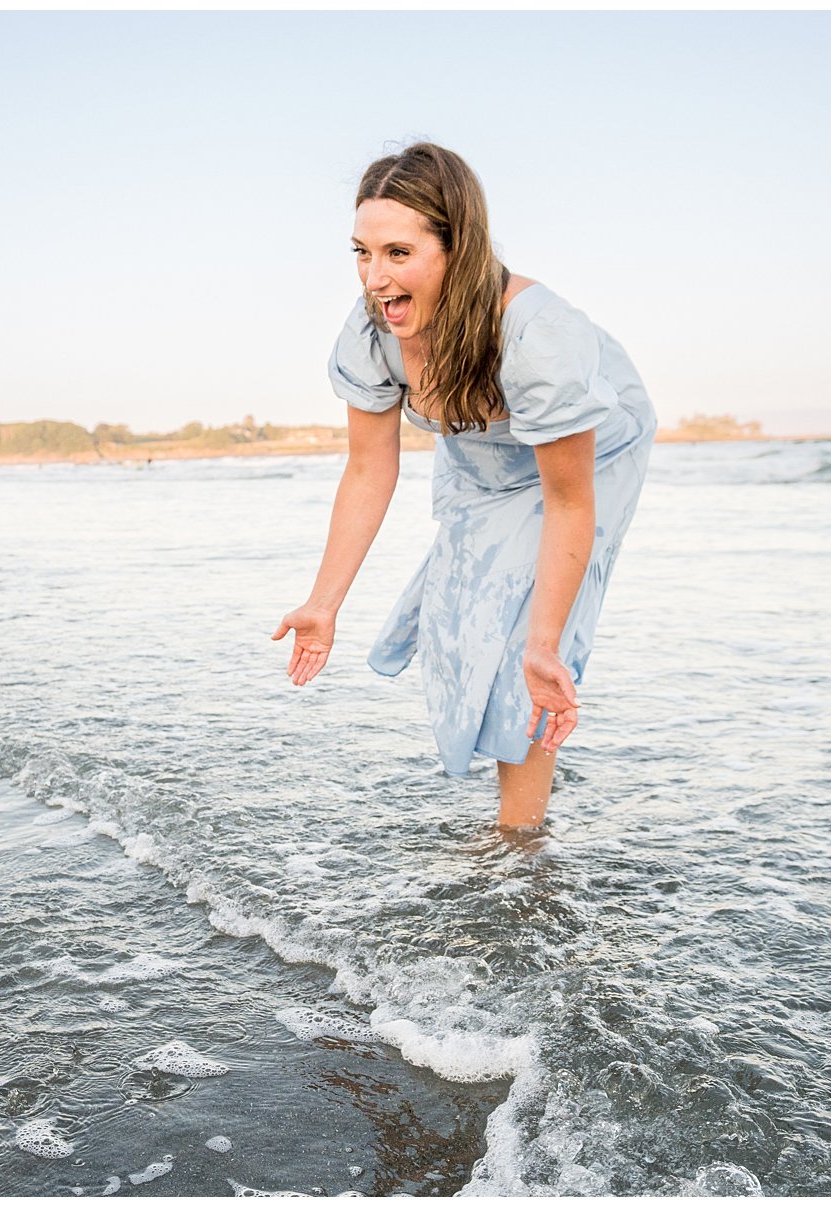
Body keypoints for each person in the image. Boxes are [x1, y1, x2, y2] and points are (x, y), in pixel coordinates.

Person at [272, 144, 655, 828]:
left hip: (588, 459)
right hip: (481, 453)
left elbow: (568, 501)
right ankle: (524, 795)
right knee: (460, 616)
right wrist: (323, 603)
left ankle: (519, 845)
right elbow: (368, 468)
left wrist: (544, 641)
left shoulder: (538, 337)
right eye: (361, 251)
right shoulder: (375, 329)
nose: (374, 278)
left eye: (398, 252)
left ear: (458, 246)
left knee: (522, 647)